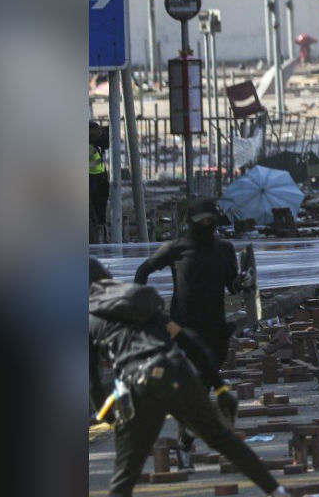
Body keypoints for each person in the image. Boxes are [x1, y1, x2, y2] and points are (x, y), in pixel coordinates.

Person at [89, 259, 288, 496]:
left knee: (126, 473)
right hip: (175, 371)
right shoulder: (140, 300)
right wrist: (220, 387)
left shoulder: (90, 318)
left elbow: (92, 378)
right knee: (221, 438)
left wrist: (107, 414)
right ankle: (277, 492)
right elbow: (186, 342)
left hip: (139, 384)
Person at [134, 198, 247, 463]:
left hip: (216, 328)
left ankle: (186, 438)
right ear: (192, 224)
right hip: (184, 328)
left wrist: (244, 281)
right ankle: (184, 439)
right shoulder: (176, 249)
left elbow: (232, 285)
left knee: (205, 385)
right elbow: (144, 270)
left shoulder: (225, 249)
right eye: (202, 222)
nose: (207, 226)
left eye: (211, 221)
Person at [90, 121, 110, 242]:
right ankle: (101, 240)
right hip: (98, 186)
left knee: (96, 219)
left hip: (97, 186)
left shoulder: (92, 148)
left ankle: (100, 240)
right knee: (98, 219)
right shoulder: (92, 148)